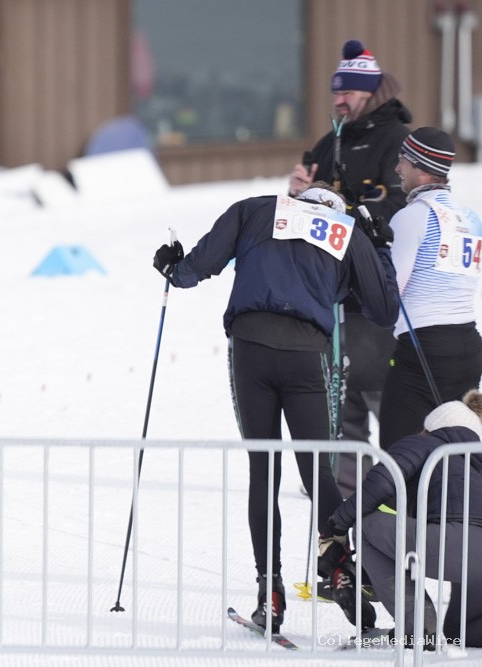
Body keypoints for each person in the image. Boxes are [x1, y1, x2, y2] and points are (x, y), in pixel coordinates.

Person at [152, 183, 399, 633]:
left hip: (250, 350)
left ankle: (271, 593)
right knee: (318, 471)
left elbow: (193, 270)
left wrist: (171, 265)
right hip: (308, 355)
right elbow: (384, 310)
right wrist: (378, 246)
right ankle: (339, 567)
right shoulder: (347, 230)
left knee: (263, 471)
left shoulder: (256, 208)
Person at [288, 39, 411, 496]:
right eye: (335, 93)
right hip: (333, 295)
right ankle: (348, 488)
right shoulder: (330, 141)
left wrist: (351, 209)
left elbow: (398, 204)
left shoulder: (396, 140)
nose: (338, 101)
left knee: (386, 395)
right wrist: (300, 191)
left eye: (349, 93)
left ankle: (407, 483)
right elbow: (304, 206)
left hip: (378, 293)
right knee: (342, 394)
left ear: (371, 91)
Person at [328, 390, 482, 648]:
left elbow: (378, 484)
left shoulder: (426, 442)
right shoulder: (476, 458)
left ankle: (418, 628)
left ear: (432, 424)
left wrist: (336, 525)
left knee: (366, 525)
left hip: (456, 544)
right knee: (461, 631)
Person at [378, 127, 482, 450]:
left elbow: (390, 291)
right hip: (468, 342)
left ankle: (400, 503)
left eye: (403, 162)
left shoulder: (413, 215)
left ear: (421, 167)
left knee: (399, 451)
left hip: (424, 346)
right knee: (454, 451)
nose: (397, 169)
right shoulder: (470, 217)